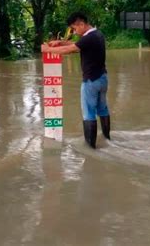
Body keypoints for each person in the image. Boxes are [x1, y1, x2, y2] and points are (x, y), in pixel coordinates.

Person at [41, 12, 111, 149]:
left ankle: (90, 148)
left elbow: (70, 49)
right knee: (102, 109)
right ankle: (107, 138)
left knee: (89, 113)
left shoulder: (89, 38)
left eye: (74, 28)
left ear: (82, 24)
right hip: (102, 79)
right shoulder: (97, 35)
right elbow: (77, 45)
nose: (74, 31)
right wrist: (60, 42)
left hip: (91, 81)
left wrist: (47, 49)